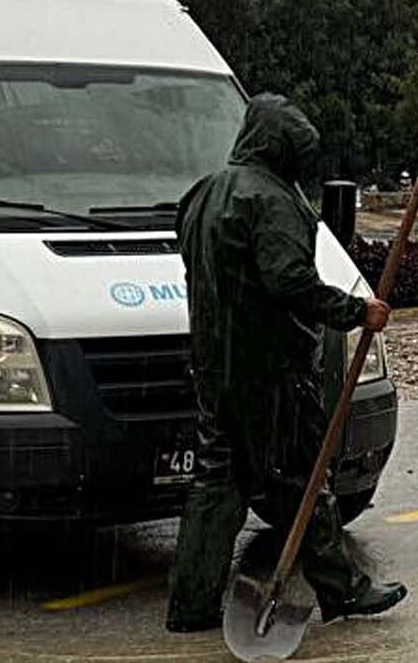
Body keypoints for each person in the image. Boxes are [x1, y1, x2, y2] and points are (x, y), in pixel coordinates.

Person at [164, 95, 405, 633]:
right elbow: (289, 282)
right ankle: (342, 591)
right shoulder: (271, 200)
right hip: (270, 370)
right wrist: (355, 311)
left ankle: (191, 605)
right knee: (304, 474)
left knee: (216, 484)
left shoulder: (203, 194)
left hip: (214, 366)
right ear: (282, 149)